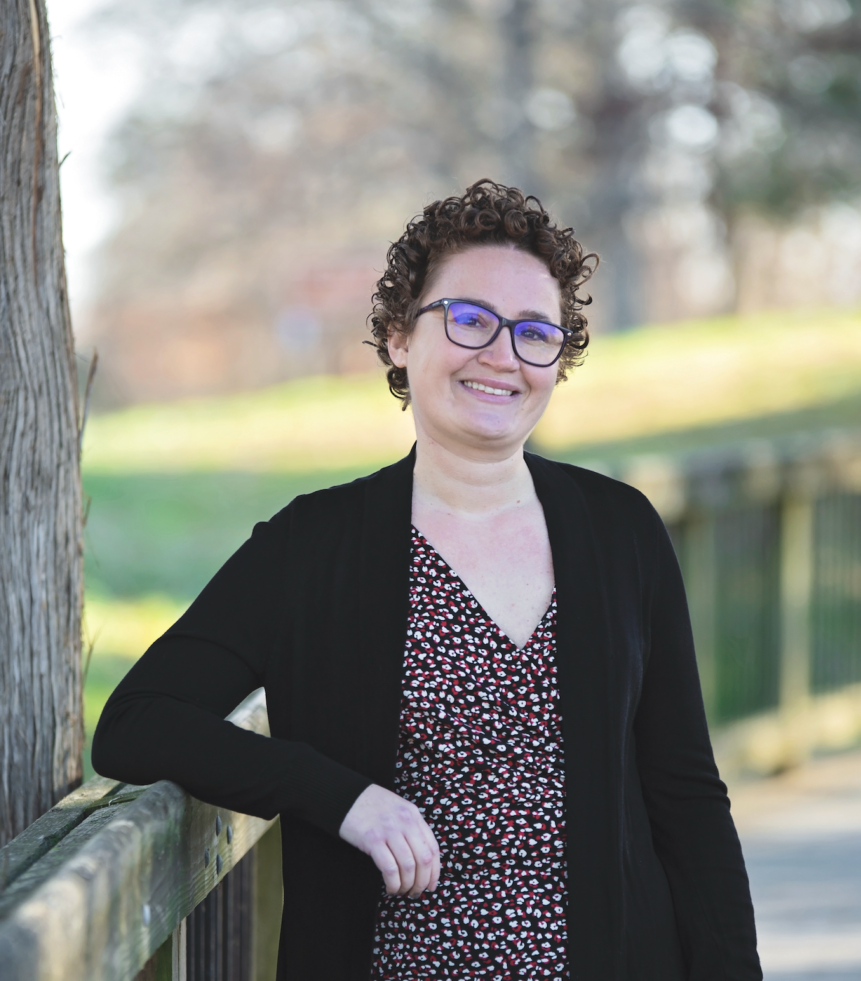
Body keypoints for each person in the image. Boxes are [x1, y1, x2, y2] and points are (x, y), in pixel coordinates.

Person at [92, 180, 762, 981]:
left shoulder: (621, 532)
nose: (503, 356)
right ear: (399, 337)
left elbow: (686, 794)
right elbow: (135, 721)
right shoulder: (315, 546)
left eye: (535, 332)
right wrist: (335, 794)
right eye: (471, 320)